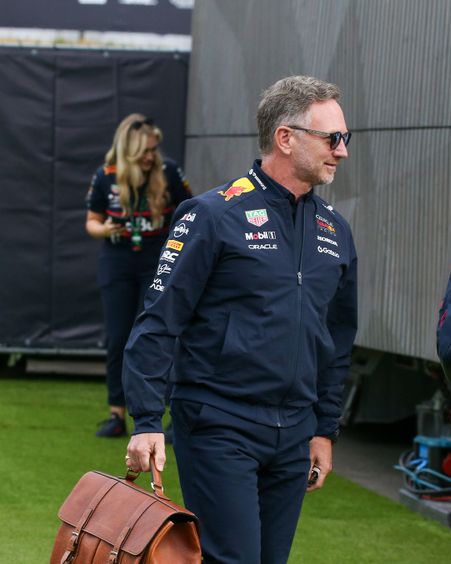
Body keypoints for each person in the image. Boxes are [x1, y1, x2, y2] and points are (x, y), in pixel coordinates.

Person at [123, 76, 357, 563]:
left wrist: (323, 429)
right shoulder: (212, 215)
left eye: (345, 137)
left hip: (295, 431)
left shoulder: (334, 229)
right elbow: (159, 321)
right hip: (219, 422)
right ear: (286, 138)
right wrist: (146, 420)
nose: (342, 150)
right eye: (332, 138)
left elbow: (336, 339)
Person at [85, 113, 191, 438]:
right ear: (128, 150)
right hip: (117, 262)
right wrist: (105, 229)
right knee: (118, 337)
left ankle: (173, 414)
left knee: (158, 334)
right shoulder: (106, 176)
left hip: (157, 262)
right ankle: (116, 413)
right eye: (144, 151)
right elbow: (91, 222)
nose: (150, 156)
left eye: (153, 149)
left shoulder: (169, 171)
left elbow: (192, 211)